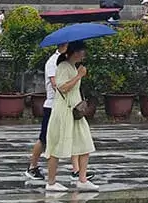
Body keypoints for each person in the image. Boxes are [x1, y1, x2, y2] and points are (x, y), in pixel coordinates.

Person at [45, 41, 97, 192]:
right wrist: (79, 76)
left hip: (75, 112)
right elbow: (62, 87)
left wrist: (79, 74)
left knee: (85, 143)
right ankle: (51, 182)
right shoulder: (63, 67)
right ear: (74, 52)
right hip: (64, 112)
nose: (83, 54)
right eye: (81, 51)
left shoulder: (73, 67)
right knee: (56, 147)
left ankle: (82, 179)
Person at [26, 41, 67, 184]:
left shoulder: (64, 61)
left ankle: (77, 170)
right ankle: (32, 166)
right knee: (44, 138)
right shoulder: (53, 61)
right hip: (52, 105)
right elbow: (55, 83)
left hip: (63, 105)